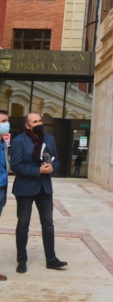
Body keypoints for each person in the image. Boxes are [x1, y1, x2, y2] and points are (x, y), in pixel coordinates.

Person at [10, 112, 67, 273]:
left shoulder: (50, 139)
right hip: (25, 188)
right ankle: (21, 260)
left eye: (40, 120)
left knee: (48, 224)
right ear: (27, 125)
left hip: (45, 188)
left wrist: (51, 168)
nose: (39, 123)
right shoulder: (19, 141)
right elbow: (15, 165)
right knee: (23, 224)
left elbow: (56, 159)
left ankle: (51, 259)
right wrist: (38, 170)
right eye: (35, 121)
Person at [0, 110, 10, 281]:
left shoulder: (3, 144)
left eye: (7, 121)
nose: (5, 124)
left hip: (2, 189)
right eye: (2, 121)